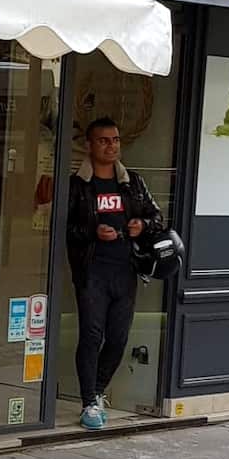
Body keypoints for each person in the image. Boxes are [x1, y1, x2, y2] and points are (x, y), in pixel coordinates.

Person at [66, 116, 163, 431]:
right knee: (92, 335)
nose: (112, 146)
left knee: (119, 338)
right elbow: (66, 229)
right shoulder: (79, 185)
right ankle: (88, 401)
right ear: (90, 145)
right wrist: (95, 231)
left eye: (116, 140)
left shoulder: (131, 182)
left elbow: (156, 216)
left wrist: (142, 225)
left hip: (126, 270)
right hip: (92, 270)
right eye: (104, 140)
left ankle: (98, 389)